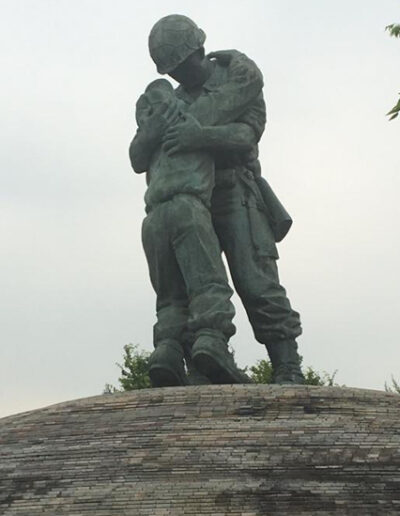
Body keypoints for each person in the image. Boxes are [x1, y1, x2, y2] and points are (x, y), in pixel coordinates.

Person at [135, 14, 305, 385]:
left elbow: (246, 137)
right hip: (191, 197)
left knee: (255, 281)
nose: (179, 75)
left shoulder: (236, 82)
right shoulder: (174, 100)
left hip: (235, 192)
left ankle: (286, 363)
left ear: (200, 49)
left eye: (184, 64)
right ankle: (206, 362)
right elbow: (143, 157)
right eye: (173, 70)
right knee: (195, 283)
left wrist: (199, 137)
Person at [131, 62, 262, 387]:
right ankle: (210, 342)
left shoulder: (152, 126)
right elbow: (245, 88)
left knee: (171, 297)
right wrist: (235, 61)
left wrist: (150, 129)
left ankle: (167, 351)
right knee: (208, 286)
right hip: (188, 208)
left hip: (152, 220)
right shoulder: (195, 113)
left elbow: (135, 158)